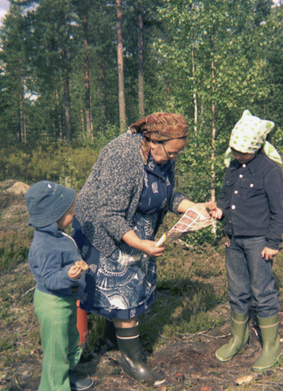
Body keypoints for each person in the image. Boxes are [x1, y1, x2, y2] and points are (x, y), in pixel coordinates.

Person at [72, 112, 211, 386]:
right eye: (171, 153)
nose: (174, 159)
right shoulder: (123, 156)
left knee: (133, 286)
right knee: (123, 294)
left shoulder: (164, 157)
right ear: (153, 141)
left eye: (178, 154)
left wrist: (195, 207)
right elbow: (109, 213)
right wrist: (138, 243)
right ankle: (133, 361)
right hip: (104, 229)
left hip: (137, 230)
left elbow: (168, 195)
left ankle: (111, 343)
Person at [210, 110, 283, 372]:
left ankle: (271, 345)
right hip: (234, 241)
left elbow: (278, 211)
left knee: (262, 292)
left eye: (240, 151)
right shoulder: (233, 165)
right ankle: (238, 339)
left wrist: (273, 243)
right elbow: (226, 197)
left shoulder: (269, 170)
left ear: (254, 148)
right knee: (237, 290)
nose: (235, 155)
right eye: (233, 150)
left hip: (259, 243)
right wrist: (220, 211)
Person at [25, 181, 94, 391]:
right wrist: (68, 274)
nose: (73, 214)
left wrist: (74, 269)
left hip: (66, 300)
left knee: (70, 339)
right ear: (53, 215)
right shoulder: (44, 244)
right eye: (70, 211)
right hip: (53, 303)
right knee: (55, 350)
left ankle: (68, 374)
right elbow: (50, 278)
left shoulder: (56, 235)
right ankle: (55, 385)